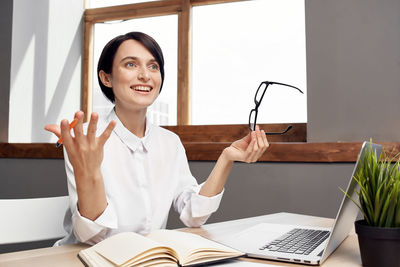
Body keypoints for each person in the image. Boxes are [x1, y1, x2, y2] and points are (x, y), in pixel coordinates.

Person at [45, 32, 269, 246]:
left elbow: (194, 214)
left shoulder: (170, 143)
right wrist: (90, 171)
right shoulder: (84, 139)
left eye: (153, 66)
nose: (145, 75)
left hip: (147, 259)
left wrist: (227, 158)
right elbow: (90, 235)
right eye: (130, 64)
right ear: (106, 78)